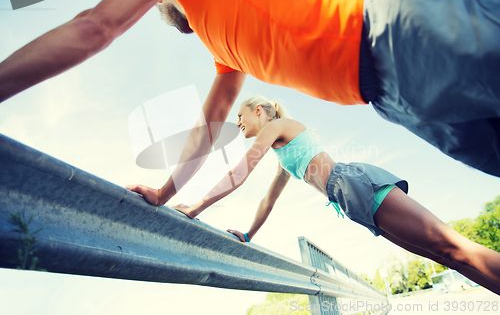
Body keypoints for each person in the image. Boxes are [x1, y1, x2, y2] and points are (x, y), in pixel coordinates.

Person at [0, 0, 499, 203]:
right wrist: (164, 193)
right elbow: (205, 132)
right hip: (391, 94)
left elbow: (95, 27)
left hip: (390, 22)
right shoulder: (225, 52)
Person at [152, 95, 500, 295]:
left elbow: (239, 172)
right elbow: (268, 200)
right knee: (447, 257)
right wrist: (248, 234)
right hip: (350, 200)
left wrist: (196, 207)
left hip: (352, 185)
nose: (238, 123)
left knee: (455, 248)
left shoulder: (277, 127)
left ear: (259, 110)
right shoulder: (284, 155)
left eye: (240, 116)